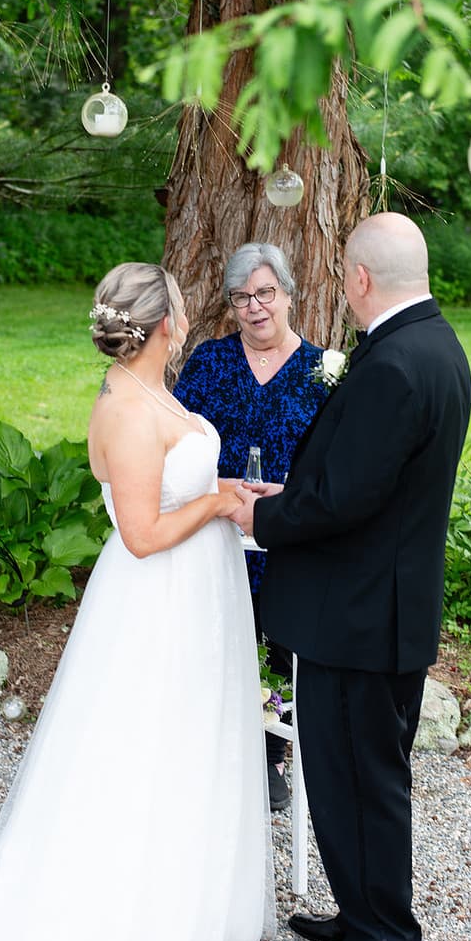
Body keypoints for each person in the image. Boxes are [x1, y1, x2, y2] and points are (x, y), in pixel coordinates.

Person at [0, 262, 273, 941]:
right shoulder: (128, 412)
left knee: (192, 739)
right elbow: (141, 535)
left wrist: (228, 494)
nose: (184, 313)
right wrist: (214, 502)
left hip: (198, 592)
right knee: (147, 746)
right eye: (176, 305)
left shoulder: (145, 388)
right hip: (160, 598)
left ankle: (197, 900)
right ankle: (137, 916)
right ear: (161, 323)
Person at [230, 213, 471, 941]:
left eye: (343, 273)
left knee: (358, 782)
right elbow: (366, 487)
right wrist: (294, 494)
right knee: (359, 778)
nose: (343, 284)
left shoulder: (394, 365)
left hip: (360, 619)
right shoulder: (434, 348)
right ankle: (366, 913)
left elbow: (345, 501)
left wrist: (259, 515)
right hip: (379, 608)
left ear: (361, 279)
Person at [173, 243, 328, 810]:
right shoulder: (208, 363)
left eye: (266, 293)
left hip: (287, 539)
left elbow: (335, 464)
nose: (255, 307)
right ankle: (207, 746)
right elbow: (180, 444)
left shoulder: (323, 373)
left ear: (289, 294)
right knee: (213, 639)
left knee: (278, 646)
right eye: (242, 297)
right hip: (214, 531)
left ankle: (269, 754)